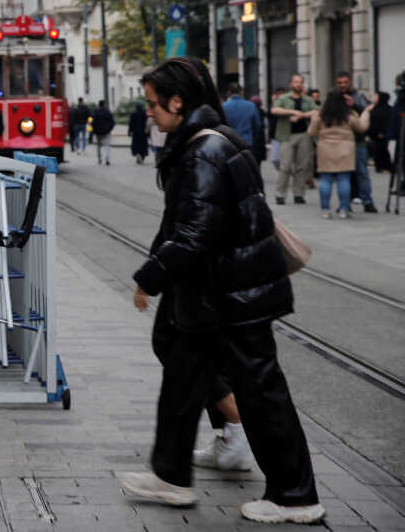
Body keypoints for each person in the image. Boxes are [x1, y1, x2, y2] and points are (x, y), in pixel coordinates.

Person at [121, 57, 324, 525]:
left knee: (261, 389)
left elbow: (195, 233)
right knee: (180, 368)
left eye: (153, 103)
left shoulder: (204, 150)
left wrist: (150, 276)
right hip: (213, 292)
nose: (149, 111)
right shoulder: (198, 143)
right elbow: (184, 222)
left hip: (233, 296)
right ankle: (170, 476)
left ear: (178, 100)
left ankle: (296, 497)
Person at [308, 90, 372, 219]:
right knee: (344, 179)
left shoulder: (320, 115)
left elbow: (311, 133)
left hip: (325, 149)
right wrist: (365, 114)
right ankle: (343, 209)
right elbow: (361, 127)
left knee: (325, 179)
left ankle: (325, 210)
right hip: (345, 149)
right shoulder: (349, 114)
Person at [270, 75, 316, 205]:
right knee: (285, 166)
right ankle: (280, 194)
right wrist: (292, 112)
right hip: (286, 135)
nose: (298, 84)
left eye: (300, 82)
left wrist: (302, 115)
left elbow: (316, 112)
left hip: (304, 134)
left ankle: (298, 194)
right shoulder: (284, 98)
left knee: (302, 166)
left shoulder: (307, 99)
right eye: (296, 82)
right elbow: (274, 110)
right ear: (291, 84)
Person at [335, 72, 375, 212]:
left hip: (358, 141)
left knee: (362, 173)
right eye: (340, 83)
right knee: (343, 175)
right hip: (340, 142)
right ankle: (345, 203)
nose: (342, 85)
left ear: (350, 82)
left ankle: (367, 201)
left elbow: (367, 113)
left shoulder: (359, 97)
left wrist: (354, 105)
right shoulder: (334, 98)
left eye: (345, 82)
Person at [221, 83, 259, 147]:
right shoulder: (251, 106)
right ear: (241, 92)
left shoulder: (223, 107)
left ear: (229, 93)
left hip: (229, 142)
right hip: (246, 141)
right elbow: (257, 125)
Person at [369, 92, 394, 173]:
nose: (374, 98)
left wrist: (382, 132)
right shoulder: (376, 108)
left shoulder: (384, 109)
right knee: (379, 150)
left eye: (376, 96)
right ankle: (382, 166)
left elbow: (385, 122)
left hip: (381, 133)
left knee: (381, 150)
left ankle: (385, 166)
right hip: (376, 134)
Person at [89, 100, 115, 165]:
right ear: (104, 104)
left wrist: (94, 130)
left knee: (98, 146)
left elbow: (93, 122)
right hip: (106, 131)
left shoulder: (96, 112)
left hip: (98, 132)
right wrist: (109, 129)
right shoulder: (107, 112)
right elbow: (112, 121)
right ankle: (107, 158)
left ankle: (99, 158)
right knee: (107, 145)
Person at [267, 86, 286, 170]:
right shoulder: (273, 106)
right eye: (279, 95)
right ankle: (283, 172)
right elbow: (269, 115)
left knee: (288, 159)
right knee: (275, 159)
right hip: (275, 135)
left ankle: (286, 174)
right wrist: (274, 103)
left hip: (287, 135)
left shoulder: (288, 105)